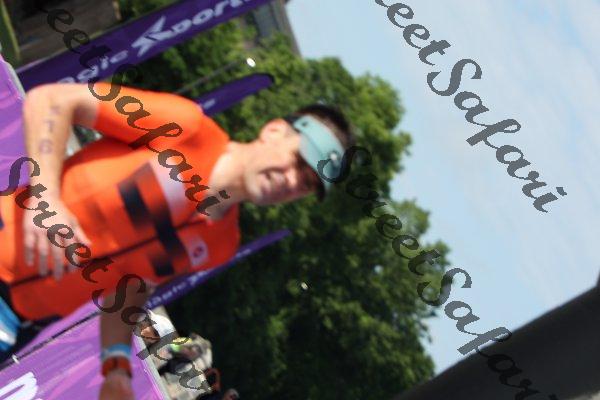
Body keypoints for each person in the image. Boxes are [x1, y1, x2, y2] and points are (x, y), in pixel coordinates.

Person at [0, 82, 354, 399]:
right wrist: (46, 196)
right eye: (296, 162)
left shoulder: (221, 244)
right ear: (273, 130)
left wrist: (117, 366)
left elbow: (131, 287)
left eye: (305, 184)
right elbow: (53, 100)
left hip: (18, 323)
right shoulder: (186, 125)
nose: (291, 181)